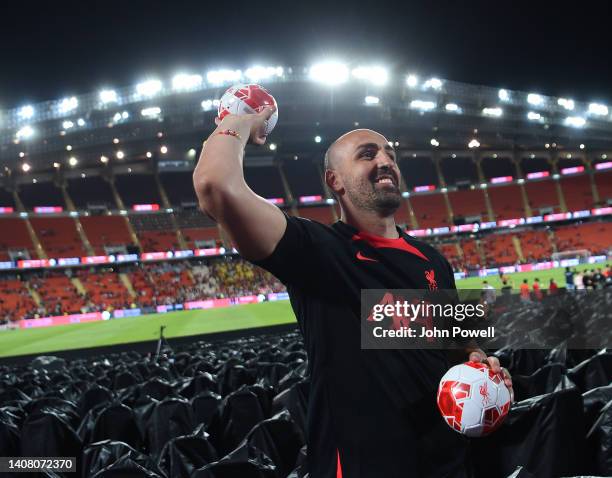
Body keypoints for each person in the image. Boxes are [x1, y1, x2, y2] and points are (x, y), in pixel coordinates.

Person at [193, 107, 513, 478]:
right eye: (367, 154)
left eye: (389, 154)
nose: (385, 161)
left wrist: (476, 362)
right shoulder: (318, 251)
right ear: (335, 180)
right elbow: (215, 186)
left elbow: (452, 342)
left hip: (449, 461)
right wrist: (241, 116)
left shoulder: (433, 261)